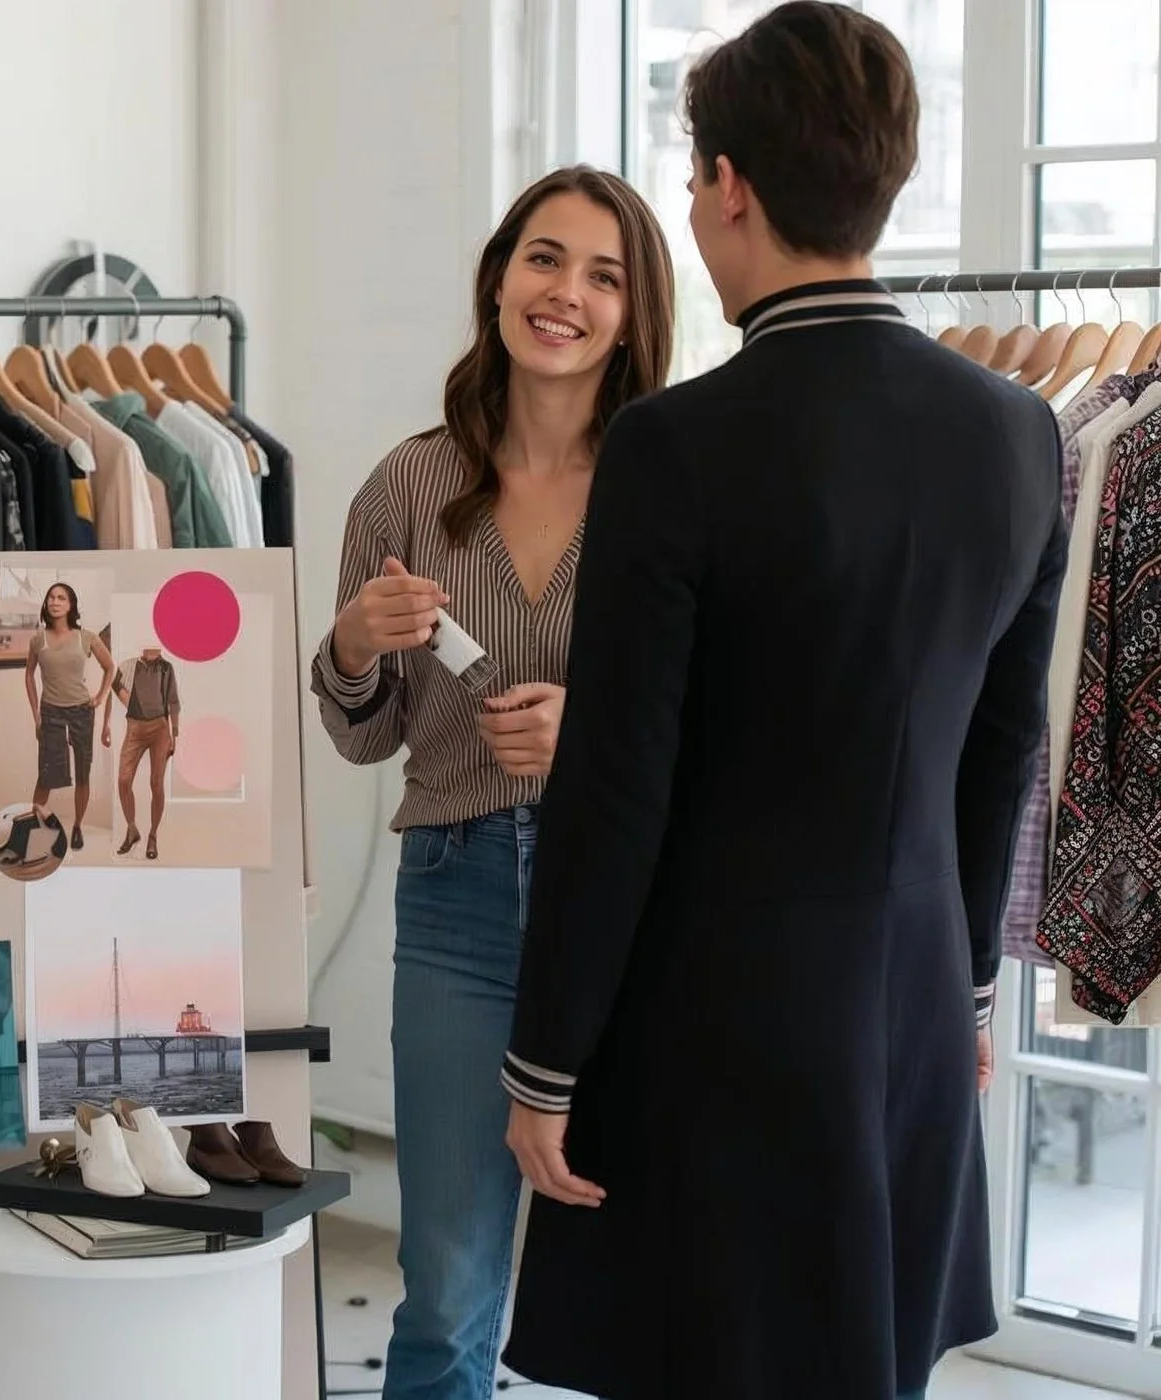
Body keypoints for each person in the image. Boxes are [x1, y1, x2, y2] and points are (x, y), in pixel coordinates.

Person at [496, 8, 1066, 1398]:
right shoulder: (1019, 432)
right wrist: (976, 984)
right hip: (919, 999)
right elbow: (1003, 755)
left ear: (732, 186)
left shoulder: (678, 443)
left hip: (722, 1019)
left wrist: (544, 1060)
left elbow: (618, 781)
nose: (695, 206)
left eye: (694, 180)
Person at [310, 164, 674, 1400]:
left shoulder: (676, 481)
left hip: (634, 906)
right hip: (457, 895)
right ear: (499, 276)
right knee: (450, 1282)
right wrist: (355, 643)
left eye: (602, 273)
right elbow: (362, 737)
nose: (563, 292)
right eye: (542, 257)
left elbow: (730, 713)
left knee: (644, 1276)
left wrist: (595, 733)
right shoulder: (409, 486)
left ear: (635, 311)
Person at [23, 582, 113, 849]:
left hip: (81, 713)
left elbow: (110, 667)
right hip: (50, 712)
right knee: (46, 775)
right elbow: (28, 675)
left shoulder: (87, 637)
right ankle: (33, 827)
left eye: (61, 597)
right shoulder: (38, 639)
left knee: (83, 774)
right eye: (51, 597)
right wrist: (36, 716)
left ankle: (77, 827)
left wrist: (100, 697)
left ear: (70, 604)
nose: (55, 601)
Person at [104, 645, 181, 859]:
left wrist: (174, 734)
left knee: (156, 783)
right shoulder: (130, 666)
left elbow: (173, 701)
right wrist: (128, 702)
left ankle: (153, 836)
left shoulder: (166, 668)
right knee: (123, 780)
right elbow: (112, 679)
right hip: (135, 729)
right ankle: (132, 829)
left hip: (160, 730)